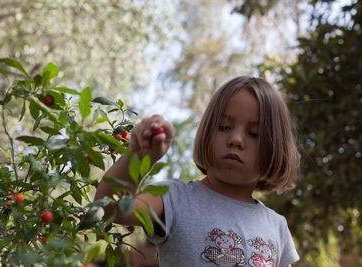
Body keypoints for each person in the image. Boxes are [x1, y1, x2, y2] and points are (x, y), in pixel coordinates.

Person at [95, 76, 300, 267]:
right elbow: (109, 209)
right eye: (223, 127)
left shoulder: (277, 227)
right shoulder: (173, 199)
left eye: (254, 133)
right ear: (206, 132)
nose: (236, 139)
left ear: (275, 149)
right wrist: (138, 156)